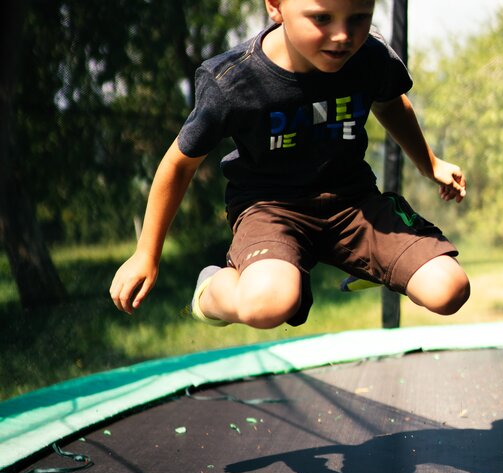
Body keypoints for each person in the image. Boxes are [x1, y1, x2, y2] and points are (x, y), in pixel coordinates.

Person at [110, 0, 470, 328]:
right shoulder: (235, 82)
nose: (342, 36)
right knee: (267, 305)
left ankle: (375, 261)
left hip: (353, 203)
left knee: (449, 288)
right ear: (276, 6)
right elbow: (179, 165)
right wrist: (147, 253)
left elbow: (390, 103)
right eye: (322, 19)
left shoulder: (370, 57)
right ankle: (212, 289)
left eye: (359, 18)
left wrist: (430, 163)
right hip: (270, 209)